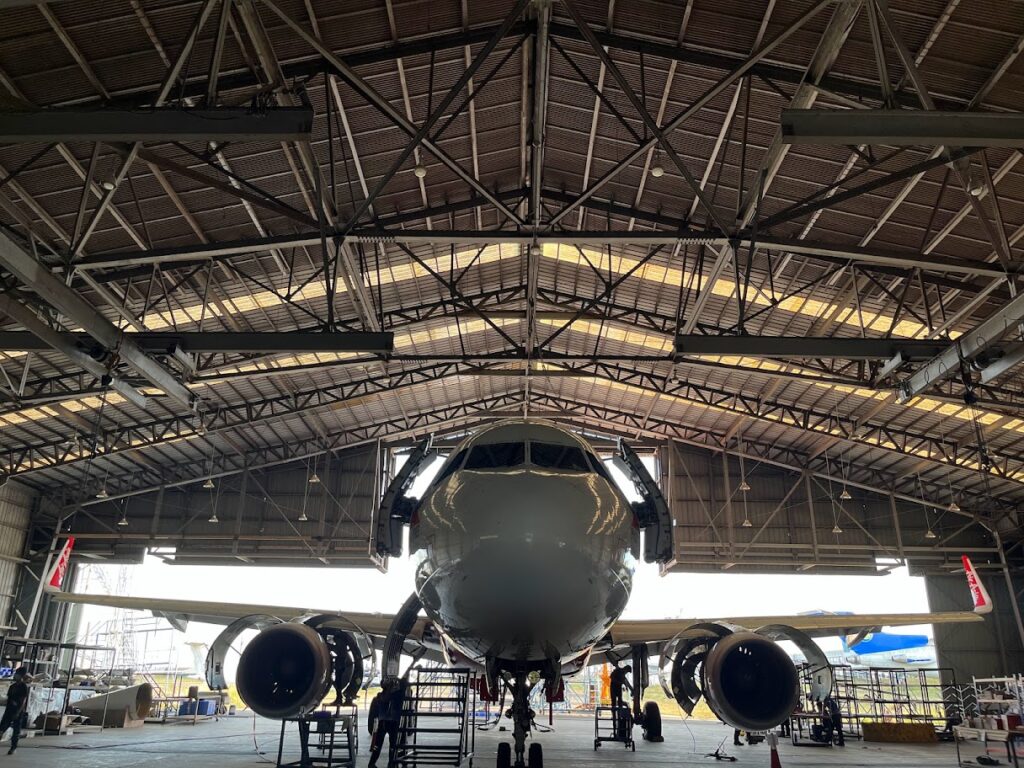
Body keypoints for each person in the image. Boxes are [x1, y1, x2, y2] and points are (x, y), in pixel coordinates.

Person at [368, 678, 405, 768]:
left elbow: (373, 715)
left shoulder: (379, 697)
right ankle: (390, 764)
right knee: (391, 745)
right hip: (390, 723)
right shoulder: (396, 696)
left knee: (380, 746)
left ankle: (373, 764)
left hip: (384, 723)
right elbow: (404, 686)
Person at [0, 669, 30, 755]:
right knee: (2, 728)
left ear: (21, 676)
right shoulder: (12, 687)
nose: (15, 675)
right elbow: (9, 700)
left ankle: (13, 747)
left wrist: (18, 712)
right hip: (9, 711)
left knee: (16, 731)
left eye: (17, 674)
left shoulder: (23, 687)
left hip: (18, 712)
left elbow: (23, 701)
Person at [609, 664, 633, 737]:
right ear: (625, 669)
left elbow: (625, 681)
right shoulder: (618, 670)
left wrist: (626, 687)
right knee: (613, 702)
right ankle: (613, 712)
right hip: (613, 687)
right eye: (627, 671)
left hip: (618, 688)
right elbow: (611, 677)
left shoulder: (622, 674)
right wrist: (619, 683)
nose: (626, 673)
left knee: (619, 701)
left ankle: (619, 713)